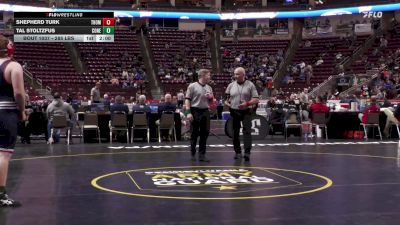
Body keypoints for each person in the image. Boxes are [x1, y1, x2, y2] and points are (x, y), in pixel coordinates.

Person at [0, 35, 26, 207]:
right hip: (5, 113)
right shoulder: (13, 66)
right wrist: (22, 110)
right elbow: (18, 94)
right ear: (9, 47)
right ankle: (1, 195)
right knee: (3, 154)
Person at [225, 67, 259, 161]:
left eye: (237, 74)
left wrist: (247, 103)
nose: (235, 76)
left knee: (247, 132)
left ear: (243, 75)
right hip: (234, 111)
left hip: (246, 111)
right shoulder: (231, 85)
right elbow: (226, 99)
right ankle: (238, 152)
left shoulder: (250, 85)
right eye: (235, 74)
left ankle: (247, 152)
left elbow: (256, 99)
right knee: (235, 133)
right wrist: (227, 103)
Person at [185, 69, 213, 162]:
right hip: (195, 111)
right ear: (203, 76)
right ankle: (193, 153)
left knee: (205, 133)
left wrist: (211, 98)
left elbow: (211, 102)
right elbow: (187, 100)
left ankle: (202, 155)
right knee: (194, 133)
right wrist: (188, 112)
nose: (210, 77)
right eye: (208, 75)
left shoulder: (209, 87)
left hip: (205, 111)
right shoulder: (192, 86)